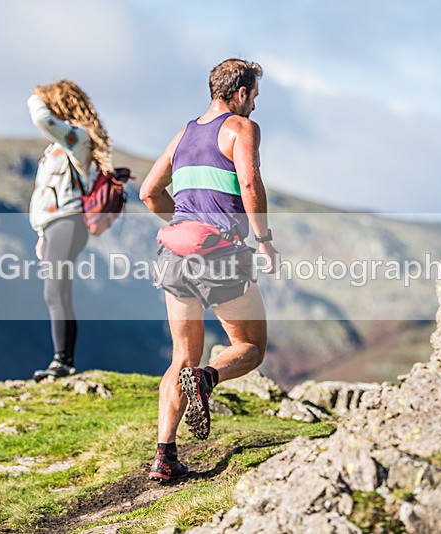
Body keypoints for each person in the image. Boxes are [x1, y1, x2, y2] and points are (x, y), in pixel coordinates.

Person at [140, 58, 278, 482]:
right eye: (253, 96)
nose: (254, 104)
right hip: (220, 255)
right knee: (250, 346)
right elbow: (250, 184)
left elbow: (148, 193)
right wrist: (264, 239)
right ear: (240, 94)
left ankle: (164, 456)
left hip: (173, 254)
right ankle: (206, 378)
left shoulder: (184, 133)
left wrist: (185, 222)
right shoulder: (241, 129)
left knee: (180, 356)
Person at [27, 80, 113, 380]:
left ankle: (62, 361)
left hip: (67, 221)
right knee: (56, 292)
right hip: (55, 225)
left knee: (56, 291)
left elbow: (41, 119)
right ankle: (62, 360)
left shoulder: (78, 137)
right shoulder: (63, 144)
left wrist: (35, 99)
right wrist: (41, 233)